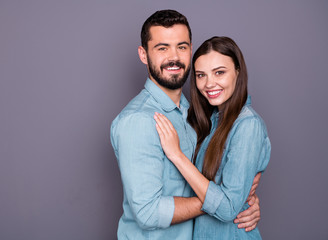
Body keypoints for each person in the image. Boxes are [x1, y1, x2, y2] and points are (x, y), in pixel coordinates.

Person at [111, 10, 261, 239]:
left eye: (181, 47)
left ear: (190, 50)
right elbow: (148, 213)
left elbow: (217, 171)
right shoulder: (139, 121)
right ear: (143, 54)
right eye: (162, 48)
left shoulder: (196, 113)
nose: (174, 57)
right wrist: (229, 204)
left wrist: (239, 198)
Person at [153, 36, 271, 239]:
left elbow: (227, 209)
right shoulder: (209, 121)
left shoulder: (248, 125)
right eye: (201, 75)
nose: (209, 83)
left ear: (238, 72)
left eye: (219, 72)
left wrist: (177, 155)